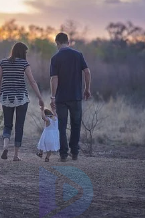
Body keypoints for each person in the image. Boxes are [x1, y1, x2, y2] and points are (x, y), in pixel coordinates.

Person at [0, 42, 44, 161]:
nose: (26, 54)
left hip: (6, 97)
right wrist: (40, 97)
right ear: (22, 52)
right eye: (25, 52)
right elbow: (32, 82)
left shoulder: (3, 62)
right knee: (19, 125)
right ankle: (16, 155)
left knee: (7, 124)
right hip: (21, 98)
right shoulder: (24, 63)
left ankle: (6, 146)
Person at [49, 32, 91, 162]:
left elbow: (54, 78)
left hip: (61, 98)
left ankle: (63, 154)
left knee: (61, 125)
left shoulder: (55, 58)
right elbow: (87, 72)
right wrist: (87, 88)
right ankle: (74, 152)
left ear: (58, 42)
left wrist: (53, 96)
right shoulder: (78, 55)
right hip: (76, 96)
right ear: (68, 41)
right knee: (76, 124)